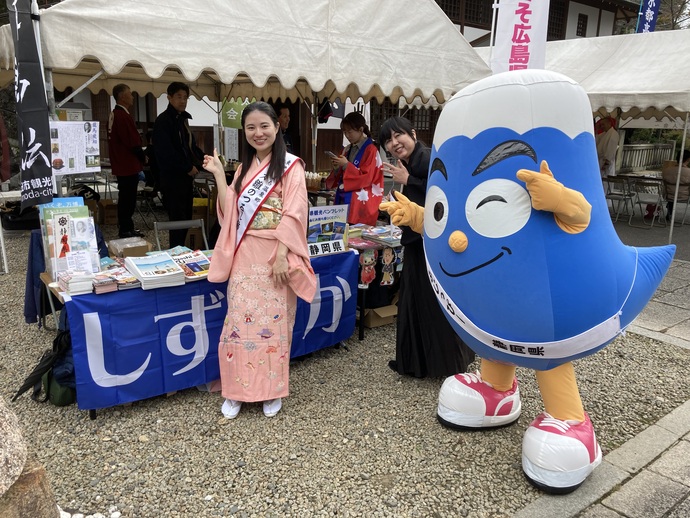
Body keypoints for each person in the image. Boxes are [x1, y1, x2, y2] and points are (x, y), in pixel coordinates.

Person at [202, 101, 316, 419]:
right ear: (245, 132)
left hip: (274, 255)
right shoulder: (243, 168)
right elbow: (231, 210)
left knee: (274, 324)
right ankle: (237, 389)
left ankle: (271, 388)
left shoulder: (292, 167)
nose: (258, 133)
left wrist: (282, 256)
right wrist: (217, 176)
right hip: (245, 254)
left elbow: (294, 212)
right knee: (239, 321)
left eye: (264, 126)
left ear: (277, 127)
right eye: (251, 127)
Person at [378, 116, 475, 378]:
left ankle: (446, 366)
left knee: (434, 304)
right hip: (417, 241)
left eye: (399, 136)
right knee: (413, 301)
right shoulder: (411, 161)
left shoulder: (427, 158)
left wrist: (408, 180)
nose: (395, 143)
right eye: (388, 140)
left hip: (433, 243)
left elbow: (447, 193)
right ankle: (413, 361)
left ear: (412, 133)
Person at [153, 82, 205, 247]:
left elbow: (190, 147)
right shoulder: (164, 121)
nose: (182, 101)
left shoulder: (181, 119)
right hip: (172, 178)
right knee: (177, 219)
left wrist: (205, 160)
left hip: (185, 178)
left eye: (185, 98)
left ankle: (180, 250)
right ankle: (175, 251)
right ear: (169, 98)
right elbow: (166, 152)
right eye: (178, 97)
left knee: (185, 218)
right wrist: (187, 167)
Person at [328, 112, 384, 225]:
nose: (347, 135)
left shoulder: (371, 150)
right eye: (344, 132)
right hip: (346, 196)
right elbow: (341, 174)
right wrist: (336, 167)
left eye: (350, 131)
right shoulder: (347, 149)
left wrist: (346, 165)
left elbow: (367, 177)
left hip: (360, 200)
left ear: (360, 129)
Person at [107, 83, 145, 238]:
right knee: (128, 199)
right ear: (122, 96)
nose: (132, 96)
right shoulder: (122, 116)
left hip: (121, 162)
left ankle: (127, 227)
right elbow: (132, 141)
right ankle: (125, 229)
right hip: (127, 164)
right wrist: (142, 157)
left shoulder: (115, 114)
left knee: (126, 197)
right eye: (130, 93)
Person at [662, 149, 690, 221]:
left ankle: (669, 212)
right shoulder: (688, 172)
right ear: (688, 159)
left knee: (672, 190)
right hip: (684, 196)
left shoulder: (667, 170)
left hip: (669, 195)